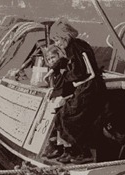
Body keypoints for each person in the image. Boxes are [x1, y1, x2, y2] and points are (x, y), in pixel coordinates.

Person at [46, 18, 108, 164]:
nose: (57, 44)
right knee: (61, 116)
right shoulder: (78, 46)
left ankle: (84, 153)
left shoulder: (74, 49)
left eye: (57, 40)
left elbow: (81, 73)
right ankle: (72, 150)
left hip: (89, 89)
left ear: (64, 36)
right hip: (87, 87)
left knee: (69, 118)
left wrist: (63, 74)